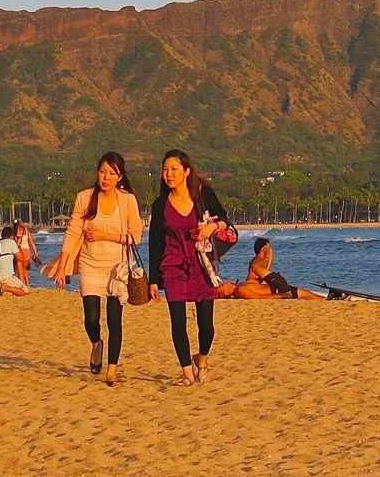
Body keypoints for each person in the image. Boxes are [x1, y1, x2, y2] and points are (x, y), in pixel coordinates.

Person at [47, 152, 144, 387]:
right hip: (90, 264)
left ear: (120, 177)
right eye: (102, 172)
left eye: (112, 173)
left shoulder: (127, 200)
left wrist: (104, 235)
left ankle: (112, 370)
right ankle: (96, 343)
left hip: (117, 267)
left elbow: (136, 236)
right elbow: (73, 233)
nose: (106, 177)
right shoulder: (85, 198)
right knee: (91, 318)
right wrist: (62, 268)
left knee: (114, 320)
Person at [148, 149, 230, 387]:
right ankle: (187, 374)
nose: (169, 174)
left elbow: (225, 220)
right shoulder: (160, 205)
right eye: (165, 170)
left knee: (206, 325)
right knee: (178, 322)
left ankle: (201, 360)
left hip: (201, 265)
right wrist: (153, 279)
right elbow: (155, 243)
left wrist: (212, 227)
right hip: (172, 265)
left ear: (186, 172)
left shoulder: (203, 195)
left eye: (174, 169)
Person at [236, 238, 324, 300]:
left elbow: (264, 275)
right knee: (304, 294)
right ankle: (323, 298)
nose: (271, 249)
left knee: (304, 293)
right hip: (268, 290)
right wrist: (270, 257)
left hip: (267, 289)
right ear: (264, 249)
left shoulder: (256, 260)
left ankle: (322, 297)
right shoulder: (260, 261)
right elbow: (259, 275)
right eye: (269, 247)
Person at [0, 225, 30, 297]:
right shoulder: (11, 242)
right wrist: (18, 246)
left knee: (0, 273)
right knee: (25, 291)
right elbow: (21, 258)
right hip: (4, 276)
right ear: (11, 236)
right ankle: (4, 287)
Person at [13, 219, 42, 289]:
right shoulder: (26, 231)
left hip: (18, 251)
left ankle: (22, 285)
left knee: (20, 270)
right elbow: (32, 243)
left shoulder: (13, 232)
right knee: (25, 269)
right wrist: (35, 254)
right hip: (26, 251)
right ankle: (27, 283)